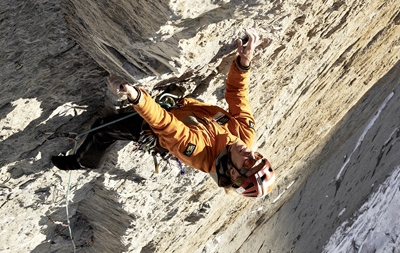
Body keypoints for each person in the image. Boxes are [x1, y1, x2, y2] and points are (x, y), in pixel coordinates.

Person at [52, 28, 275, 198]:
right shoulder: (245, 136)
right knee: (174, 98)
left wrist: (136, 96)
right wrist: (243, 63)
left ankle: (84, 161)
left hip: (159, 129)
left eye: (248, 163)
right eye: (257, 156)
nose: (250, 153)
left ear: (234, 174)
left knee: (105, 128)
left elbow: (164, 124)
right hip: (183, 109)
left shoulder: (198, 152)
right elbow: (237, 94)